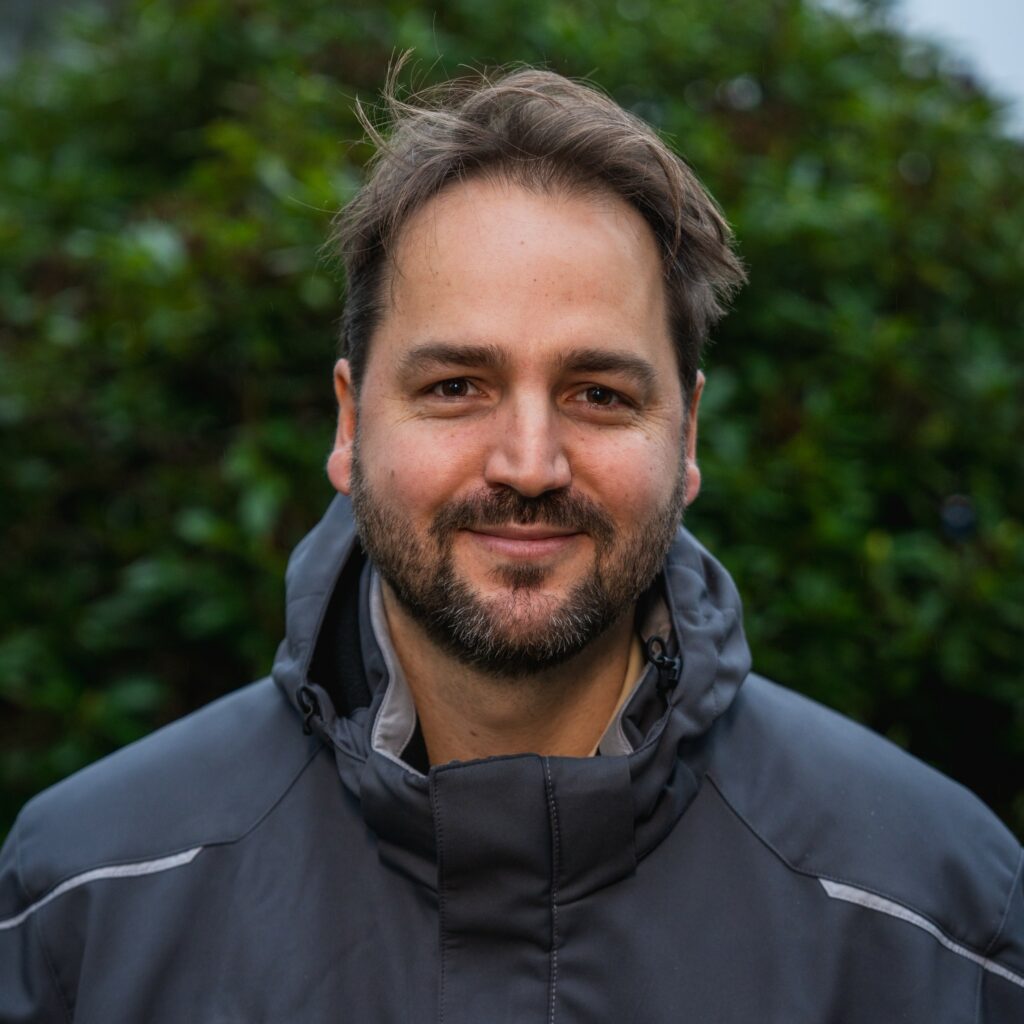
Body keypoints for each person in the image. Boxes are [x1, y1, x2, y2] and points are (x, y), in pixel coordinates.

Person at [1, 67, 1021, 1023]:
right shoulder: (85, 895)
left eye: (598, 394)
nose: (529, 464)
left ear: (687, 437)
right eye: (456, 387)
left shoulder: (937, 910)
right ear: (350, 425)